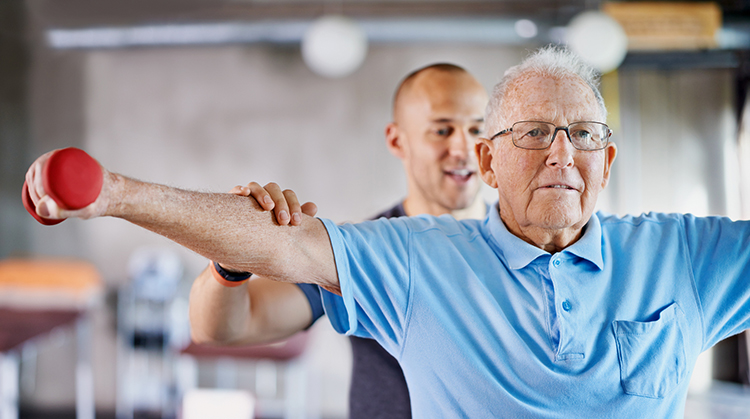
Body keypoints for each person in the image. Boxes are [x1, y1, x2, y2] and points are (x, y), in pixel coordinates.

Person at [24, 45, 750, 418]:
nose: (562, 152)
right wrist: (114, 194)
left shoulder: (678, 253)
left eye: (583, 134)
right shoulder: (405, 253)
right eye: (533, 133)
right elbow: (251, 284)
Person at [188, 63, 489, 419]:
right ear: (397, 140)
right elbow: (224, 328)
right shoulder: (360, 251)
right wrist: (232, 259)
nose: (463, 148)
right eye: (441, 130)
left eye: (476, 129)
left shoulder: (524, 242)